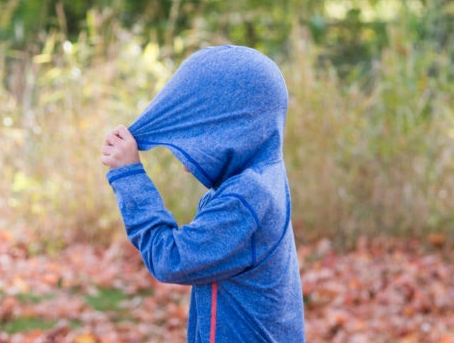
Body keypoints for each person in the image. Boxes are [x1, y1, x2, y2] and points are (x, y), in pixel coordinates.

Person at [100, 44, 305, 343]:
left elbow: (171, 258)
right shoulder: (261, 174)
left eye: (193, 132)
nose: (179, 145)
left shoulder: (245, 199)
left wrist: (129, 176)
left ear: (229, 132)